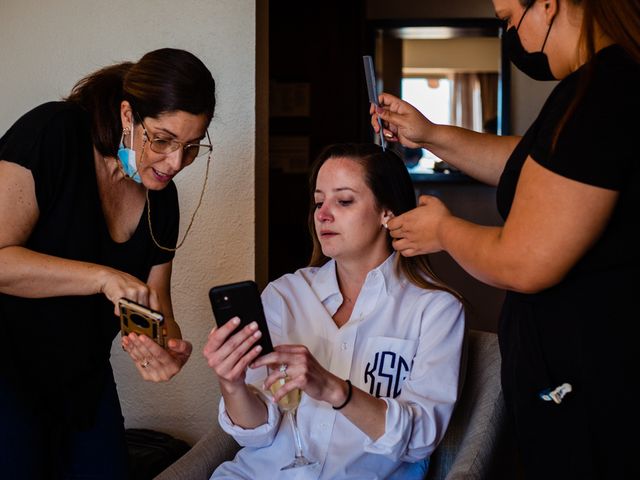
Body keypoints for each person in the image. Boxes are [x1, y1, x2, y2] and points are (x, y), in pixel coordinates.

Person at [370, 0, 639, 478]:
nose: (510, 34)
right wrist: (429, 134)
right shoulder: (590, 89)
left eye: (509, 18)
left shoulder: (605, 93)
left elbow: (525, 262)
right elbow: (536, 166)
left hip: (594, 382)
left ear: (550, 4)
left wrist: (445, 231)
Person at [0, 48, 216, 479]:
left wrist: (165, 346)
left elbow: (158, 307)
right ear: (127, 115)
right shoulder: (54, 132)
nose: (174, 163)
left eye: (191, 147)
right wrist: (102, 277)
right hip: (7, 371)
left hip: (82, 380)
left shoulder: (162, 201)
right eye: (163, 139)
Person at [203, 144, 465, 479]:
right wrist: (233, 383)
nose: (323, 214)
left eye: (343, 201)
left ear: (387, 212)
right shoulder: (286, 295)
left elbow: (421, 439)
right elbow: (257, 432)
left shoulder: (435, 310)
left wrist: (334, 390)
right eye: (318, 202)